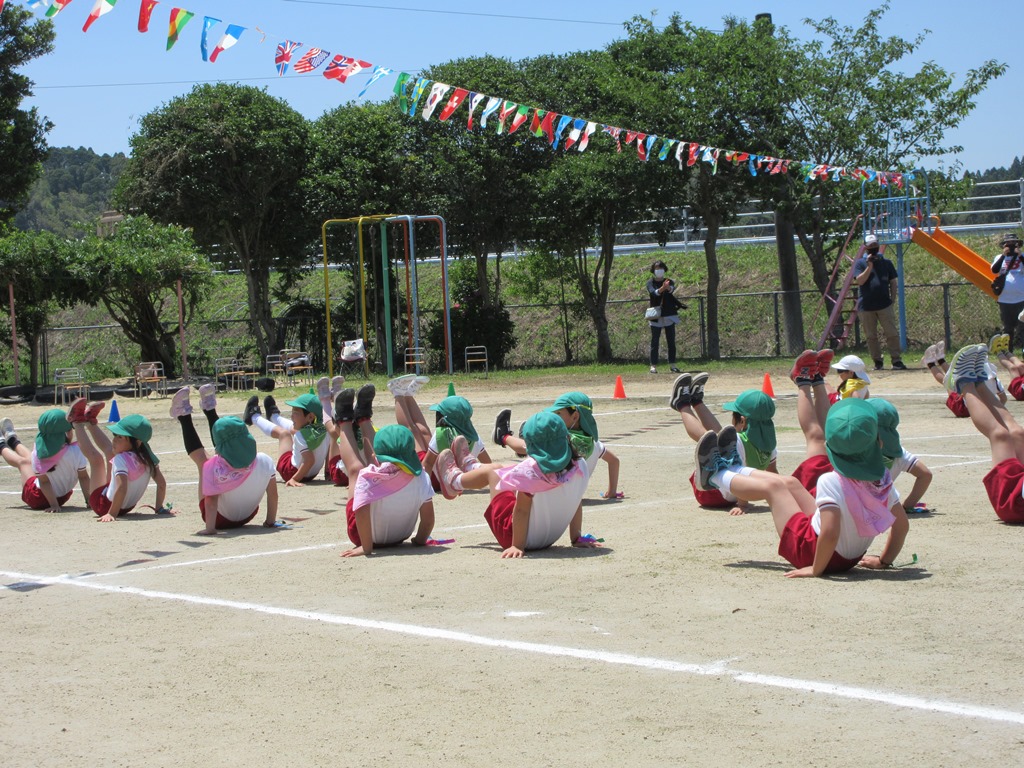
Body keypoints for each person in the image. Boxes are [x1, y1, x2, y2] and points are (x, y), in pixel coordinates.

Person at [695, 397, 909, 576]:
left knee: (773, 489)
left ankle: (715, 476)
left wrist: (816, 569)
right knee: (791, 483)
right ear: (879, 444)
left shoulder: (831, 481)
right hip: (848, 557)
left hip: (813, 552)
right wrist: (884, 561)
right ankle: (735, 468)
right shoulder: (882, 480)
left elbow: (830, 532)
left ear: (829, 446)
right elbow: (902, 527)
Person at [437, 411, 601, 558]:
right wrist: (576, 537)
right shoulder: (580, 465)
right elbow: (576, 500)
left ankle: (455, 481)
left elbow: (522, 510)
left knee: (494, 473)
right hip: (549, 536)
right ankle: (471, 467)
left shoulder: (531, 471)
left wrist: (517, 545)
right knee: (503, 470)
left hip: (516, 536)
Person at [323, 385, 436, 556]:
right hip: (401, 536)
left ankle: (345, 421)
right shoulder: (421, 476)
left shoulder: (368, 478)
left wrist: (366, 547)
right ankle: (362, 417)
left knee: (356, 470)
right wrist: (419, 540)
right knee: (365, 469)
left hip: (366, 537)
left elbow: (360, 510)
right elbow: (428, 521)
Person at [170, 387, 278, 534]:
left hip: (221, 520)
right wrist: (270, 521)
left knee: (204, 462)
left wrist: (210, 529)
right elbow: (273, 495)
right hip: (248, 514)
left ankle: (184, 416)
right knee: (217, 458)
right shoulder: (265, 460)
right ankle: (209, 408)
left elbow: (211, 501)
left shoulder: (213, 466)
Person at [669, 372, 777, 514]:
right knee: (722, 437)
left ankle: (682, 404)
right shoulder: (769, 443)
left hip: (711, 492)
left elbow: (738, 472)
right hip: (731, 491)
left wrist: (742, 504)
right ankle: (696, 401)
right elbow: (772, 473)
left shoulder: (738, 442)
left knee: (709, 441)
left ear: (742, 421)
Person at [946, 342, 1024, 523]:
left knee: (1000, 436)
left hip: (1014, 503)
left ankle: (963, 383)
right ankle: (980, 383)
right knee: (1018, 433)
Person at [492, 391, 621, 500]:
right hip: (573, 498)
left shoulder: (567, 440)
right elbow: (614, 461)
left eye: (558, 414)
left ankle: (503, 436)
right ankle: (528, 439)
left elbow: (525, 447)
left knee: (498, 471)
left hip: (550, 495)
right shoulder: (594, 443)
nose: (554, 416)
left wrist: (520, 441)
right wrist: (612, 492)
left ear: (575, 416)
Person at [69, 399, 169, 523]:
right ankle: (90, 421)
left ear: (137, 443)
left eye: (120, 437)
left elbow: (122, 488)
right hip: (125, 506)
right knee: (110, 451)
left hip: (103, 504)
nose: (114, 439)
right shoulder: (149, 458)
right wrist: (159, 508)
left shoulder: (121, 459)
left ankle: (77, 424)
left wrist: (111, 513)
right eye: (115, 435)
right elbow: (162, 484)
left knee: (96, 460)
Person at [0, 408, 90, 513]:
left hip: (37, 497)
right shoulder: (77, 450)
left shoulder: (37, 454)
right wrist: (89, 501)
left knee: (24, 462)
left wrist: (54, 505)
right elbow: (84, 478)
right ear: (67, 432)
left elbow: (44, 482)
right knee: (29, 460)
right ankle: (11, 440)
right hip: (62, 497)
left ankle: (2, 444)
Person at [244, 391, 330, 486]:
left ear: (310, 416)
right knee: (296, 430)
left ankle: (254, 417)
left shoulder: (300, 435)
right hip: (311, 474)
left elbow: (309, 460)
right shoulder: (326, 430)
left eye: (295, 412)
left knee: (284, 434)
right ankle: (273, 416)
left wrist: (294, 479)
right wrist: (328, 473)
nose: (291, 416)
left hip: (290, 471)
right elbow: (328, 453)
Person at [869, 399, 933, 514]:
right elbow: (925, 475)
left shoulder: (857, 450)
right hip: (881, 508)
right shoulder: (899, 454)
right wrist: (908, 505)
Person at [852, 234, 906, 371]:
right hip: (866, 306)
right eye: (870, 246)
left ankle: (897, 360)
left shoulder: (886, 263)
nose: (873, 249)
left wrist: (892, 299)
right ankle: (877, 361)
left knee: (892, 333)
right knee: (871, 336)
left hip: (884, 305)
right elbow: (860, 281)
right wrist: (869, 266)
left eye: (875, 246)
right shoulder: (859, 263)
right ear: (865, 248)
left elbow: (893, 282)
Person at [789, 349, 837, 495]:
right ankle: (817, 379)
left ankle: (803, 380)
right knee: (831, 438)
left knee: (816, 437)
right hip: (847, 484)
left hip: (824, 495)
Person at [923, 339, 1006, 417]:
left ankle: (930, 362)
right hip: (973, 404)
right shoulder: (995, 380)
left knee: (947, 382)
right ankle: (940, 359)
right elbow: (1004, 398)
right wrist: (995, 410)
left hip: (963, 407)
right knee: (955, 376)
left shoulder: (977, 375)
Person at [646, 259, 684, 374]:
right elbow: (654, 293)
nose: (659, 271)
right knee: (655, 341)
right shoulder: (650, 282)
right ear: (653, 270)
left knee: (671, 341)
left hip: (669, 314)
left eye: (661, 268)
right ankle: (653, 366)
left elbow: (671, 290)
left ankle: (672, 364)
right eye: (657, 269)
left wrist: (667, 287)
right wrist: (662, 288)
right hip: (656, 315)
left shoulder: (669, 281)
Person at [990, 232, 1024, 349]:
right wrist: (1004, 256)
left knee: (1022, 326)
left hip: (1021, 298)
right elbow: (994, 270)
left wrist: (1020, 256)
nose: (1011, 247)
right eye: (1008, 245)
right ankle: (1008, 351)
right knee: (1008, 327)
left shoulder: (1022, 256)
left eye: (1013, 244)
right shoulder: (999, 258)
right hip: (1005, 299)